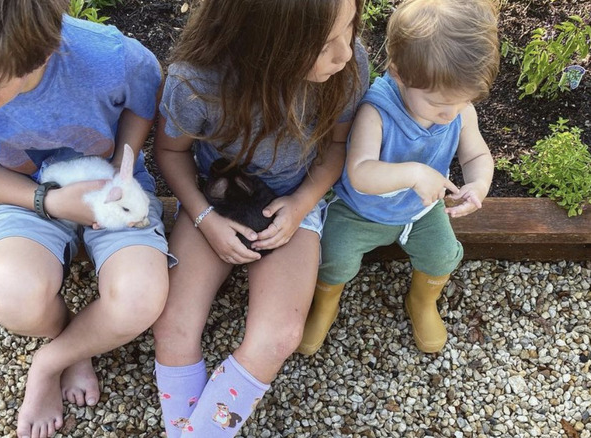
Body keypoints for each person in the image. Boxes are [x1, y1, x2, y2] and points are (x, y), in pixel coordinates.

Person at [0, 1, 175, 437]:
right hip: (24, 195)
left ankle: (51, 360)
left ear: (40, 56)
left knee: (140, 299)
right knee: (14, 300)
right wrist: (51, 202)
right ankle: (74, 340)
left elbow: (143, 103)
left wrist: (123, 169)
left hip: (111, 190)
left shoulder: (111, 58)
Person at [151, 0, 369, 435]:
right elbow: (170, 152)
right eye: (328, 44)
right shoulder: (196, 82)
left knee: (280, 337)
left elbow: (335, 150)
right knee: (172, 326)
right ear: (268, 44)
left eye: (350, 30)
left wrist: (303, 203)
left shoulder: (347, 65)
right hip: (218, 196)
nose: (347, 52)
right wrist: (206, 217)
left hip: (292, 201)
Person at [298, 0, 500, 356]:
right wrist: (415, 173)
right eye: (439, 104)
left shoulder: (456, 106)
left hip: (421, 210)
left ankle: (422, 300)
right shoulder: (377, 110)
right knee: (333, 256)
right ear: (398, 73)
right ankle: (326, 303)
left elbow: (477, 154)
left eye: (461, 102)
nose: (449, 113)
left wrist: (478, 185)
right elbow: (360, 172)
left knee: (442, 256)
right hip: (359, 209)